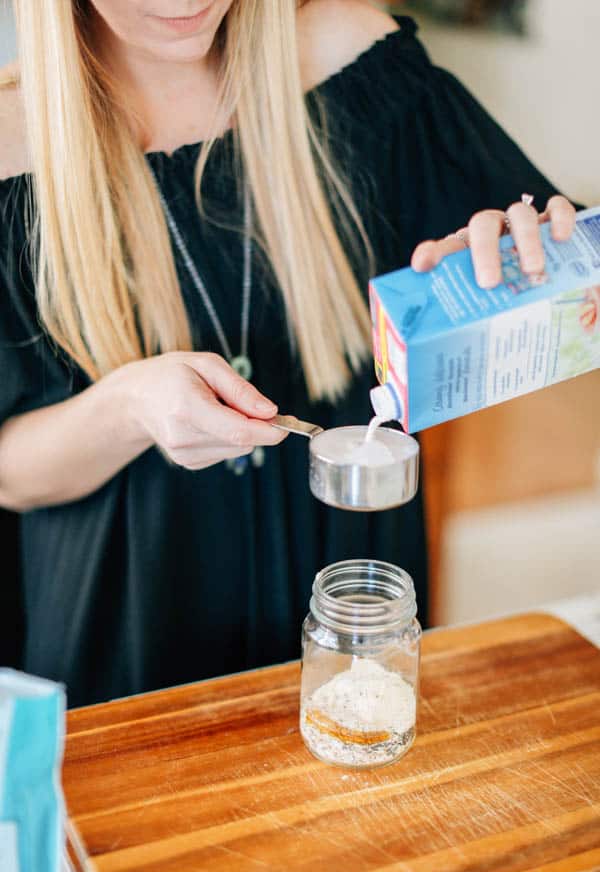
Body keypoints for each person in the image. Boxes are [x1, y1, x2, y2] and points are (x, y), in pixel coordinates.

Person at [0, 1, 575, 707]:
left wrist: (508, 278)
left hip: (352, 592)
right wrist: (128, 406)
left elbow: (560, 307)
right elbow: (10, 474)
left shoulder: (356, 60)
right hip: (126, 630)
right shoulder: (10, 147)